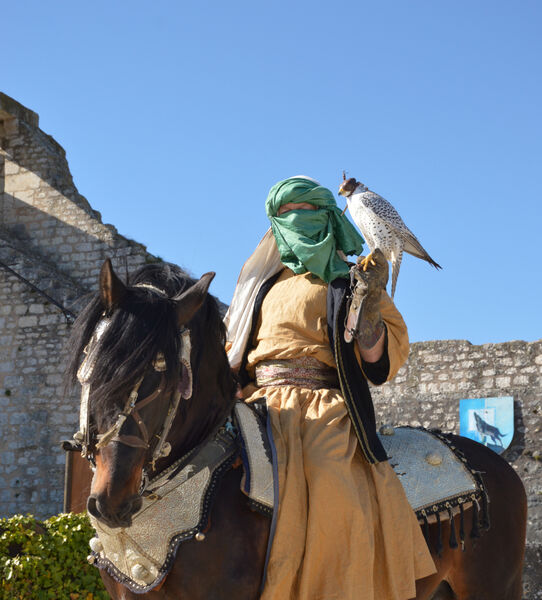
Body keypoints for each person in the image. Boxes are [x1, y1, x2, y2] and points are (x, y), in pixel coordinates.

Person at [224, 176, 435, 600]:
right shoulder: (258, 284)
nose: (298, 221)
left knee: (333, 486)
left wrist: (370, 309)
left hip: (323, 408)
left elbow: (379, 363)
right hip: (254, 402)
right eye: (286, 215)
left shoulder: (350, 279)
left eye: (308, 212)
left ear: (329, 219)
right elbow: (234, 344)